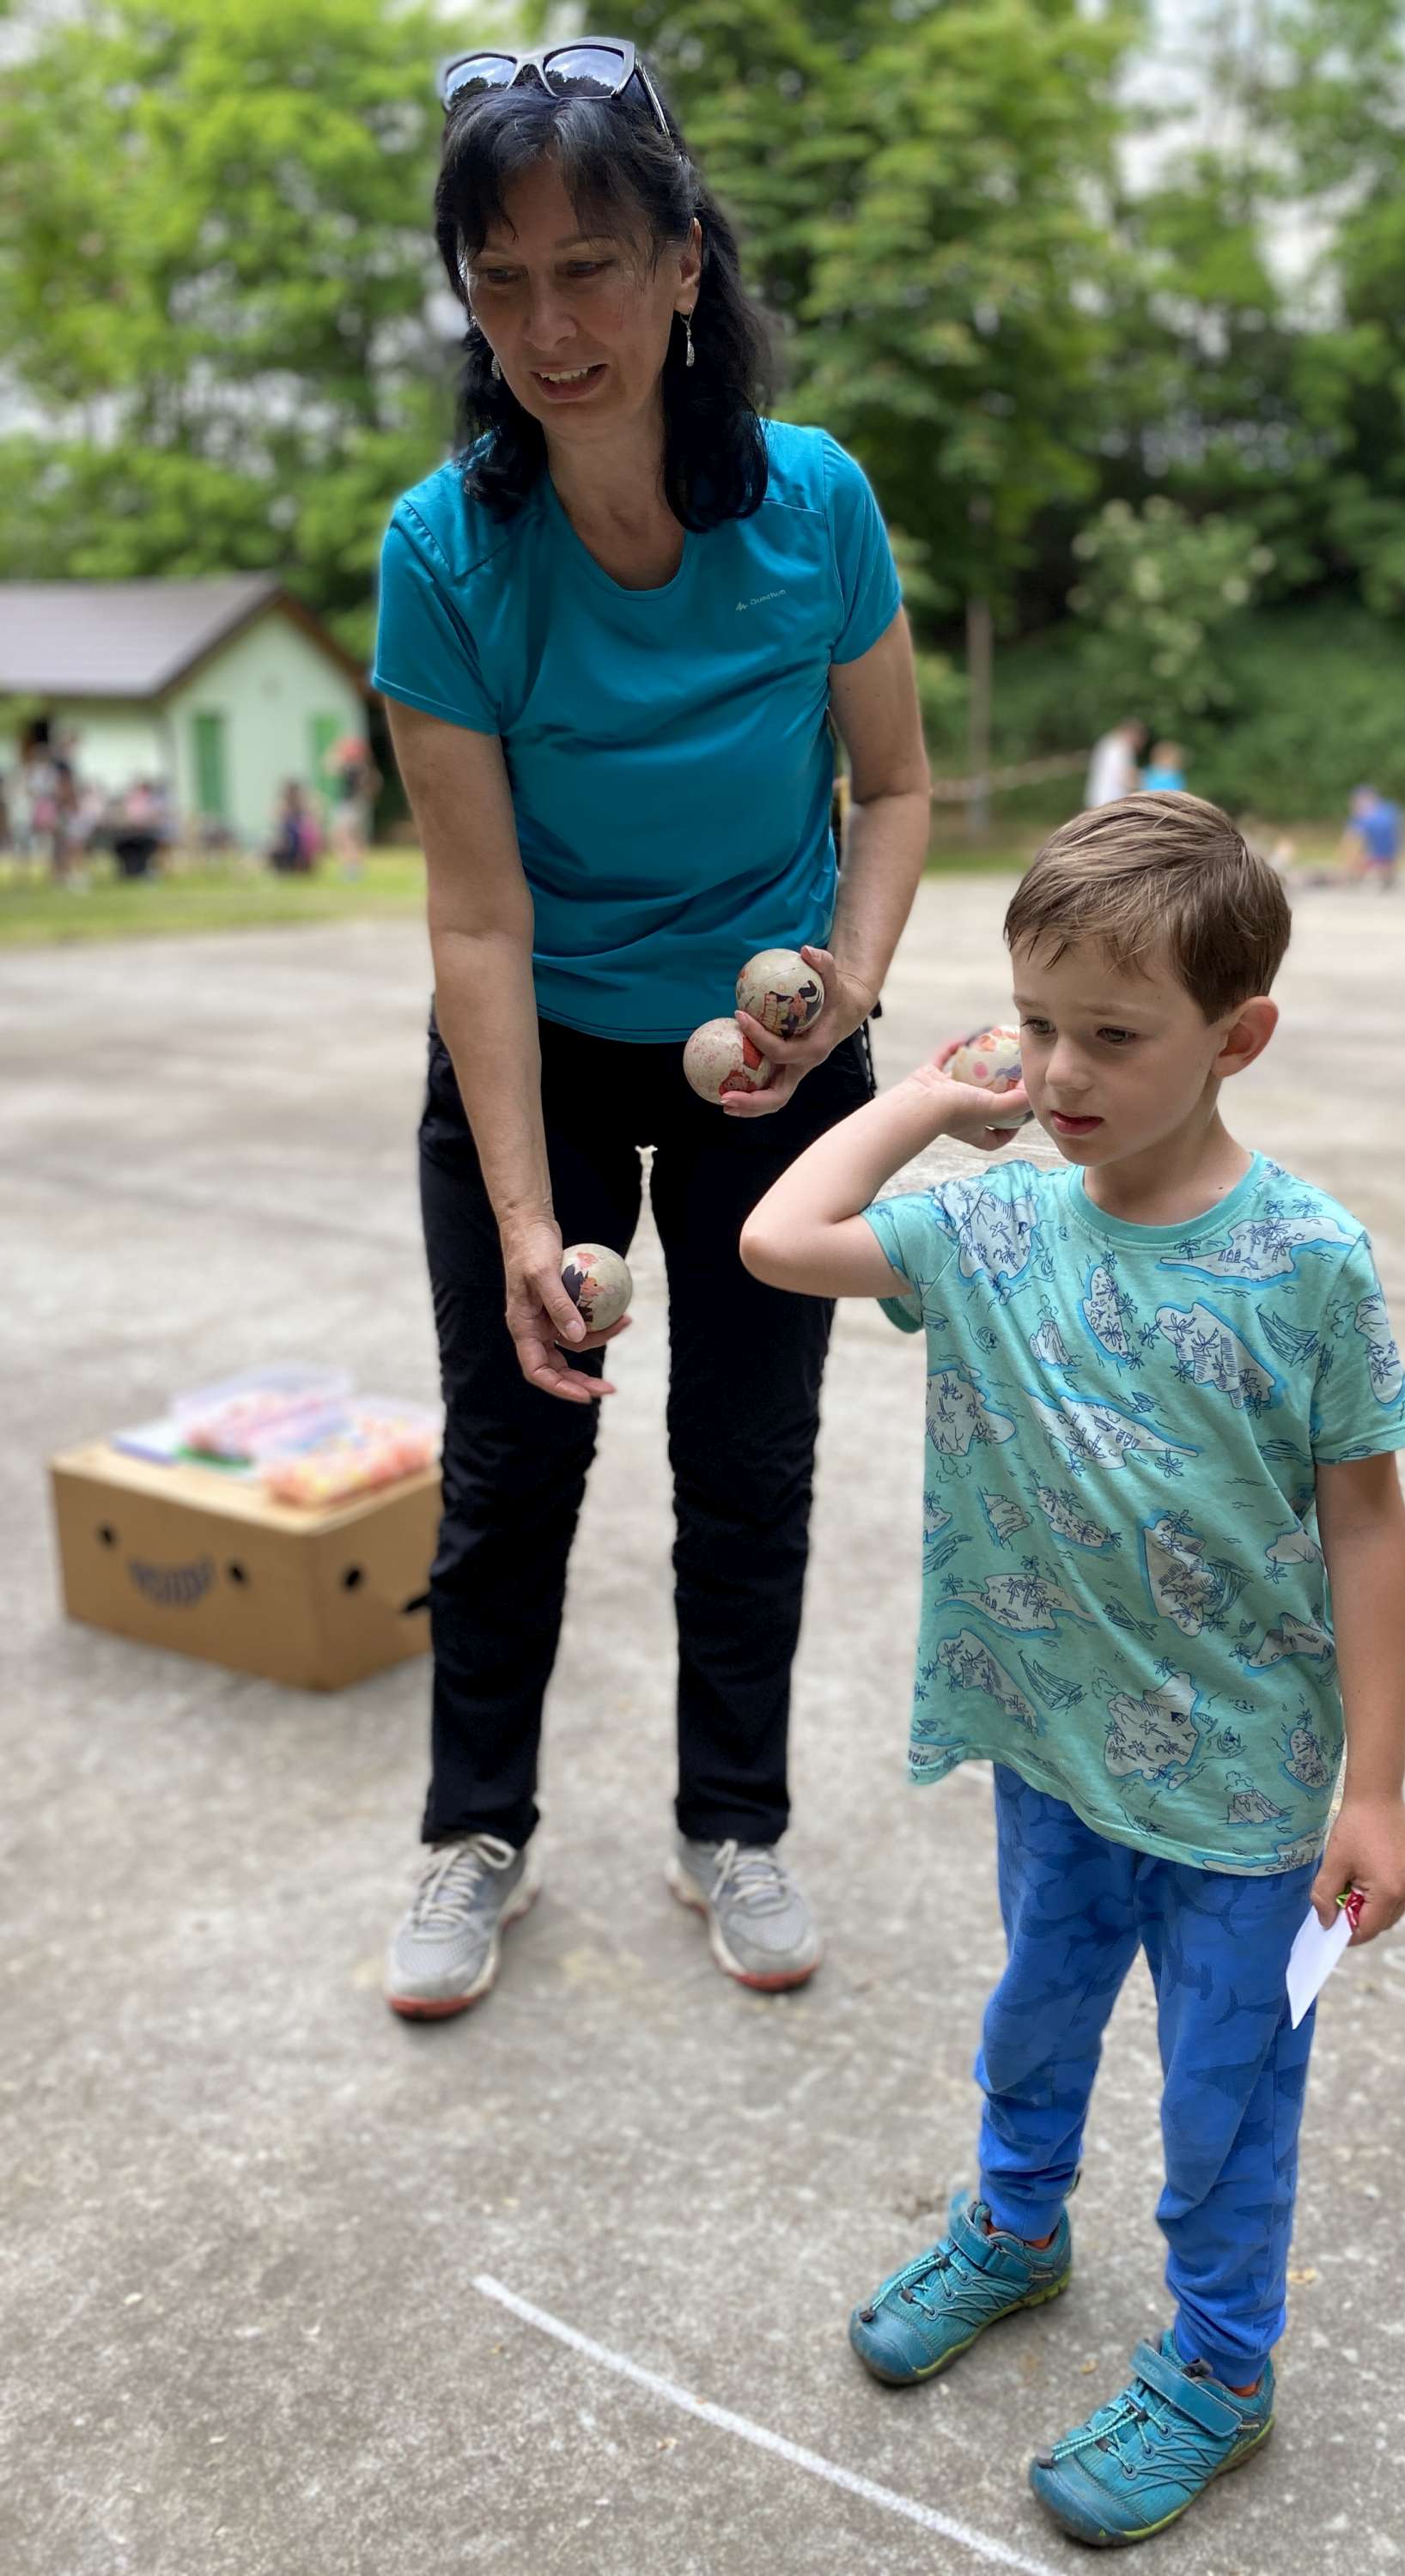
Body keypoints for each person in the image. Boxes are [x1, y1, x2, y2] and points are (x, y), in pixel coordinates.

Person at [741, 791, 1405, 2548]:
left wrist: (1378, 1788)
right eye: (1037, 1024)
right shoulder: (993, 1231)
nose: (1060, 1071)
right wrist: (927, 1099)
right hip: (1050, 1749)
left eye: (1114, 1036)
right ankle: (1015, 2228)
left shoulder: (1308, 1263)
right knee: (1034, 2019)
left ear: (1237, 1038)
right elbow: (777, 1239)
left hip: (1245, 1795)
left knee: (1225, 2098)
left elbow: (1365, 1524)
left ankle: (1219, 2367)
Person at [371, 39, 928, 2016]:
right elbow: (475, 913)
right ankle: (474, 1834)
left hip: (773, 1053)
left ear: (686, 264)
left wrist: (845, 985)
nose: (549, 328)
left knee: (748, 1455)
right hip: (535, 1048)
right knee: (514, 1459)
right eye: (502, 280)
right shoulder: (445, 549)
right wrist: (532, 1220)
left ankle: (734, 1822)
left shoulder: (816, 502)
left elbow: (897, 790)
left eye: (590, 268)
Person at [325, 732, 374, 879]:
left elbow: (330, 767)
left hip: (349, 806)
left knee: (345, 837)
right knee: (351, 837)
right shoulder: (362, 767)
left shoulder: (353, 767)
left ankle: (352, 868)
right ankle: (354, 867)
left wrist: (335, 749)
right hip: (356, 805)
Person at [1341, 782, 1403, 886]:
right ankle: (1385, 871)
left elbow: (1350, 843)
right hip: (1389, 858)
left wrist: (1349, 865)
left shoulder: (1363, 818)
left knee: (1353, 843)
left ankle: (1353, 873)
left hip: (1374, 857)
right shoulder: (1390, 810)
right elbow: (1398, 836)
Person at [1082, 716, 1145, 810]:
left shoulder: (1108, 742)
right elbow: (1126, 778)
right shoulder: (1123, 748)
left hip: (1098, 798)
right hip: (1111, 801)